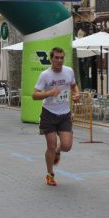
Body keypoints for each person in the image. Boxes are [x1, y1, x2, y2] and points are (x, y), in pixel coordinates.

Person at [32, 47, 80, 187]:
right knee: (51, 145)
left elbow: (74, 85)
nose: (59, 60)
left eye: (61, 58)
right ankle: (50, 174)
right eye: (56, 58)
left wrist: (76, 94)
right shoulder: (45, 75)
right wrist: (49, 93)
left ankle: (59, 151)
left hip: (64, 114)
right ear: (51, 59)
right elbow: (35, 95)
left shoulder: (69, 71)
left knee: (66, 146)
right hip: (49, 114)